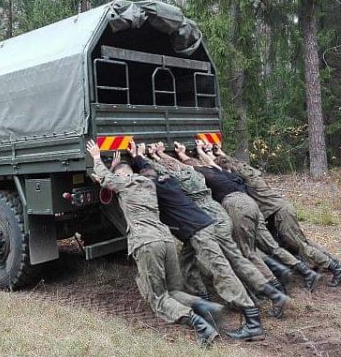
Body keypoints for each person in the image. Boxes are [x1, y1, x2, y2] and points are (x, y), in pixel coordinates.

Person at [86, 139, 219, 346]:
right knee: (174, 291)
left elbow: (105, 178)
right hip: (166, 240)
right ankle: (203, 306)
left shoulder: (123, 184)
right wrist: (129, 161)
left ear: (121, 175)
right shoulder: (147, 183)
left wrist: (96, 157)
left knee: (158, 299)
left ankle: (200, 326)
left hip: (147, 243)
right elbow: (114, 178)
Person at [129, 140, 266, 341]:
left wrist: (136, 159)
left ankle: (253, 323)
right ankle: (203, 303)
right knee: (187, 264)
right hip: (199, 229)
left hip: (200, 232)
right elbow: (153, 171)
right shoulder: (170, 181)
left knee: (222, 272)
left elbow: (142, 179)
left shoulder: (156, 188)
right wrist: (141, 158)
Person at [142, 143, 291, 319]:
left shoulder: (177, 178)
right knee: (211, 260)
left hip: (206, 224)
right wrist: (163, 154)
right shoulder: (194, 172)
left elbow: (161, 171)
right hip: (217, 219)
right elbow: (180, 165)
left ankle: (250, 301)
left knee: (221, 266)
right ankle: (268, 292)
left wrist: (144, 156)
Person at [177, 141, 321, 292]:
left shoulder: (199, 174)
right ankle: (305, 273)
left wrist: (178, 154)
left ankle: (274, 287)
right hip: (251, 205)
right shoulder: (217, 170)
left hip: (237, 206)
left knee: (246, 252)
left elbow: (185, 167)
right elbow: (210, 161)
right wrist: (201, 151)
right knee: (271, 246)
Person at [213, 146, 341, 288]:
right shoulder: (251, 172)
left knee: (299, 245)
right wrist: (221, 154)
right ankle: (326, 264)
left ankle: (335, 268)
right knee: (293, 243)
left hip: (280, 212)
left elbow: (231, 168)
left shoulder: (248, 179)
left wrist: (215, 159)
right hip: (277, 212)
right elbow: (236, 165)